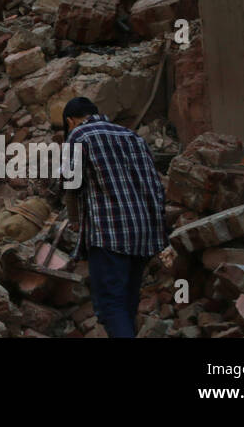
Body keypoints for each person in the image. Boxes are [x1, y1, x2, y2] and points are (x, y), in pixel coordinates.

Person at [62, 96, 167, 338]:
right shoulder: (131, 136)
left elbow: (72, 185)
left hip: (109, 234)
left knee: (110, 305)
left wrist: (75, 220)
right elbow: (156, 186)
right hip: (144, 232)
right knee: (127, 303)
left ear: (70, 121)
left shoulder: (79, 136)